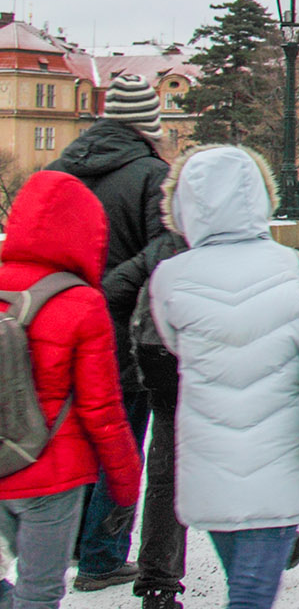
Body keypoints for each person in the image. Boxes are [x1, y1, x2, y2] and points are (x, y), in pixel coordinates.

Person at [149, 145, 299, 609]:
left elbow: (173, 342)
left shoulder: (169, 278)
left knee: (242, 586)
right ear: (260, 199)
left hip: (207, 453)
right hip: (281, 450)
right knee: (252, 593)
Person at [45, 74, 168, 594]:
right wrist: (106, 287)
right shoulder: (151, 174)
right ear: (147, 124)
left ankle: (71, 543)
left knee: (70, 440)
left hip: (56, 330)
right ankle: (101, 555)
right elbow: (165, 250)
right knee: (120, 442)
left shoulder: (57, 172)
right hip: (121, 332)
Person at [0, 171, 144, 609]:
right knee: (38, 593)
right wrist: (124, 485)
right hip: (51, 476)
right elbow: (102, 410)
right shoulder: (82, 303)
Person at [101, 223, 191, 609]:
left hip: (163, 357)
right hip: (227, 365)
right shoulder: (254, 247)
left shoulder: (167, 245)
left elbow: (114, 291)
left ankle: (158, 582)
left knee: (166, 468)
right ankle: (275, 539)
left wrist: (142, 325)